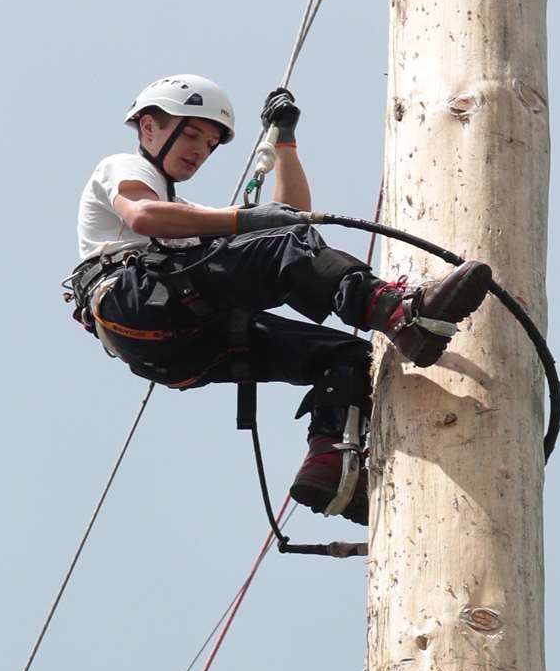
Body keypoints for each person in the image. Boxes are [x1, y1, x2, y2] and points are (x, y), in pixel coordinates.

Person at [66, 74, 492, 524]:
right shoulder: (124, 168)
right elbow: (144, 214)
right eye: (191, 133)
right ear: (149, 127)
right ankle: (397, 311)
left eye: (210, 144)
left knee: (349, 358)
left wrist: (284, 143)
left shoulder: (185, 214)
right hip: (133, 302)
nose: (199, 150)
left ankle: (331, 472)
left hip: (182, 345)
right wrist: (241, 222)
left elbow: (289, 220)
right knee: (285, 247)